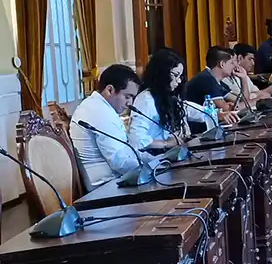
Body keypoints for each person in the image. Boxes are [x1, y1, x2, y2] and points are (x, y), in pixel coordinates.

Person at [129, 48, 238, 151]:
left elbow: (187, 109)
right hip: (158, 159)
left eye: (180, 76)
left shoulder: (169, 95)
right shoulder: (145, 100)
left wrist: (217, 115)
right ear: (161, 74)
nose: (179, 81)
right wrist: (165, 143)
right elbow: (136, 140)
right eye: (175, 75)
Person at [70, 64, 154, 192]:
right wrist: (152, 167)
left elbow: (125, 151)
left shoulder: (99, 106)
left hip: (113, 181)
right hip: (105, 188)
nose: (130, 103)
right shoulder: (99, 112)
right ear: (110, 90)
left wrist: (152, 160)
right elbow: (120, 162)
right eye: (127, 96)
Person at [185, 46, 241, 112]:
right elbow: (226, 109)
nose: (235, 66)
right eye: (231, 63)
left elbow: (240, 101)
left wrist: (244, 78)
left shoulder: (217, 80)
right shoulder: (206, 79)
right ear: (222, 64)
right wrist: (228, 106)